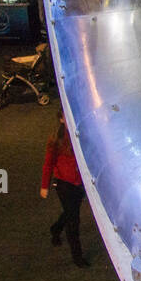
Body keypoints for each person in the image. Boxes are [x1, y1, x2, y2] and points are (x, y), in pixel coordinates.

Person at [41, 110, 90, 267]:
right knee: (73, 220)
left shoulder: (81, 135)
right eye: (66, 117)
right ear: (61, 120)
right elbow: (48, 164)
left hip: (79, 183)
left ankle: (56, 228)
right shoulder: (57, 140)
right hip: (64, 185)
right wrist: (44, 186)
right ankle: (77, 257)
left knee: (71, 212)